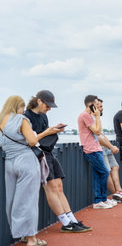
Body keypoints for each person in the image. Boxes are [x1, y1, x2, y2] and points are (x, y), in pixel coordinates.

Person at [25, 90, 91, 232]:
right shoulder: (26, 116)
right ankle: (65, 222)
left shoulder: (43, 116)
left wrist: (54, 130)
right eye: (47, 105)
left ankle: (72, 219)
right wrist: (49, 132)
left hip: (48, 152)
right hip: (37, 154)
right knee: (51, 188)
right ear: (39, 101)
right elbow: (30, 140)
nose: (48, 109)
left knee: (59, 187)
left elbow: (43, 135)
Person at [0, 96, 46, 246]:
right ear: (18, 106)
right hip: (25, 161)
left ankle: (22, 233)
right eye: (22, 107)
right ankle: (32, 239)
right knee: (28, 200)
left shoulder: (1, 121)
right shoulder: (21, 119)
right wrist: (46, 133)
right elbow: (32, 141)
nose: (23, 110)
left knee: (13, 200)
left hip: (9, 162)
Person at [79, 95, 114, 209]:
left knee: (98, 174)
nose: (98, 107)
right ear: (91, 105)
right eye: (96, 104)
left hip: (95, 148)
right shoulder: (85, 116)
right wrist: (97, 117)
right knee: (104, 172)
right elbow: (98, 132)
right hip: (91, 149)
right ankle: (100, 199)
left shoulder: (88, 116)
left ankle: (100, 200)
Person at [96, 99, 122, 203]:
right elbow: (97, 138)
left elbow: (102, 135)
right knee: (107, 171)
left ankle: (119, 192)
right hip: (100, 148)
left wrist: (110, 146)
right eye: (100, 107)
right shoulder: (93, 120)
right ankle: (116, 195)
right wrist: (111, 147)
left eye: (102, 106)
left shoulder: (98, 119)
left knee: (115, 167)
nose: (102, 108)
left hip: (106, 147)